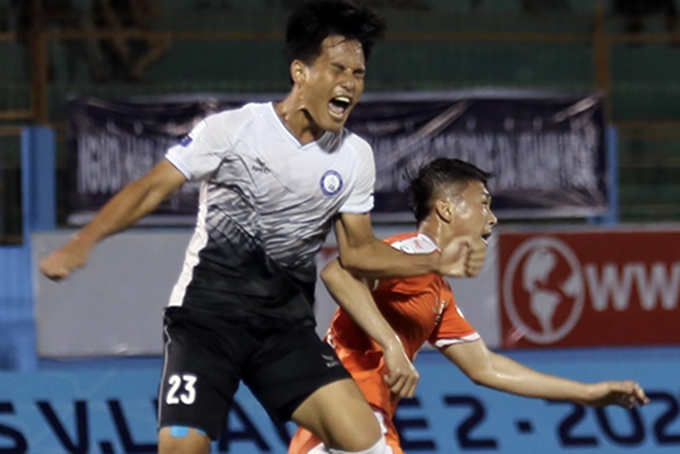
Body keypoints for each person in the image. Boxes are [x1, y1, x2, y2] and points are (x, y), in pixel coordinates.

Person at [40, 2, 488, 454]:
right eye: (337, 69)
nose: (350, 84)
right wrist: (84, 241)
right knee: (179, 450)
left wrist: (433, 259)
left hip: (283, 330)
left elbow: (357, 253)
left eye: (359, 73)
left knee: (364, 438)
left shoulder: (355, 156)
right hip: (207, 323)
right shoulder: (234, 130)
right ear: (300, 71)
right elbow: (152, 188)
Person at [289, 158, 650, 454]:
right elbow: (337, 272)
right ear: (446, 209)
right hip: (350, 418)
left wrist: (588, 394)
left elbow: (486, 367)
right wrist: (391, 344)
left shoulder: (439, 292)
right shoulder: (410, 253)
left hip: (355, 429)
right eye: (484, 203)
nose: (491, 218)